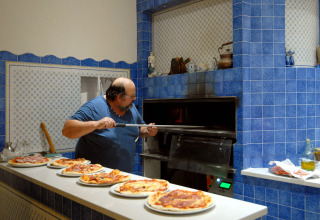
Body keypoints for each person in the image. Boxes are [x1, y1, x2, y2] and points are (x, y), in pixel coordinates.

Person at [62, 77, 158, 172]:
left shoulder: (130, 107)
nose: (134, 99)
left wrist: (147, 130)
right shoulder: (94, 107)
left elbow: (139, 128)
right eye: (132, 96)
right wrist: (97, 124)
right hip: (93, 177)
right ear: (119, 97)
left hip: (122, 177)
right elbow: (67, 130)